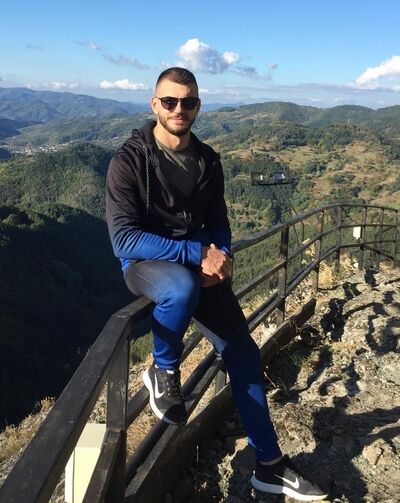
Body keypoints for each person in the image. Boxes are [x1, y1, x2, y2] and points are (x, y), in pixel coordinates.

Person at [106, 67, 328, 501]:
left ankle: (269, 464)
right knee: (179, 289)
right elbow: (124, 240)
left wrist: (221, 257)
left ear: (198, 106)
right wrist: (196, 254)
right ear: (154, 104)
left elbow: (219, 222)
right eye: (170, 101)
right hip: (146, 265)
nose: (179, 109)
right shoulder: (129, 161)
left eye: (188, 101)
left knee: (244, 355)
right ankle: (163, 369)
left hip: (199, 267)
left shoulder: (207, 160)